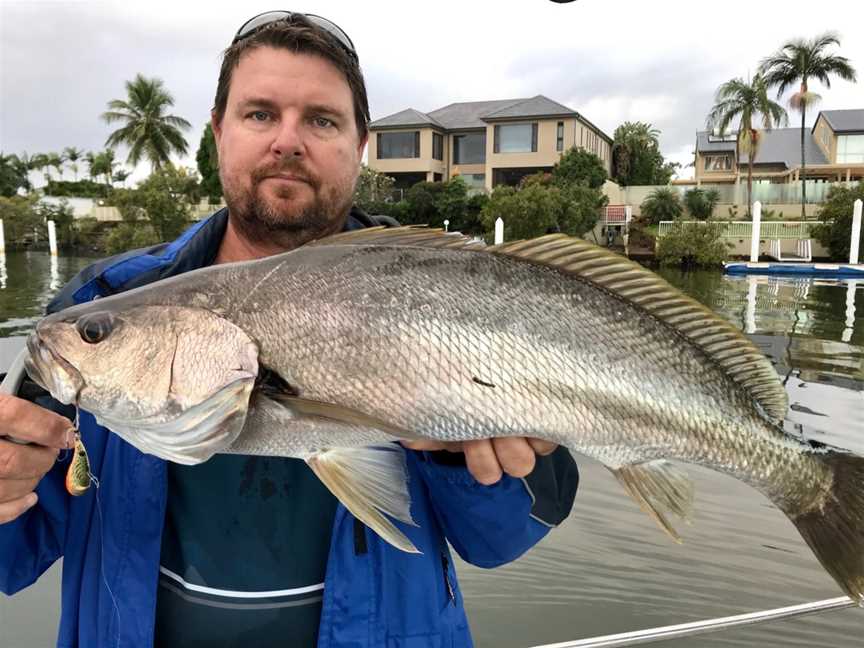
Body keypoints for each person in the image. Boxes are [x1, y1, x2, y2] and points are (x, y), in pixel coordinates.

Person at [0, 12, 578, 647]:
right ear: (218, 131)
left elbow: (503, 541)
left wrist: (462, 458)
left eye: (322, 120)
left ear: (359, 146)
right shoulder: (104, 305)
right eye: (259, 114)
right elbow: (12, 553)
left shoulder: (455, 293)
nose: (288, 141)